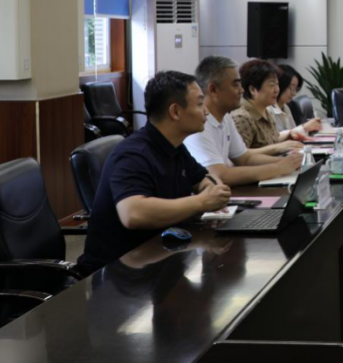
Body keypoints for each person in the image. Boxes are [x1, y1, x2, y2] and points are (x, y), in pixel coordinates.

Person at [77, 71, 232, 276]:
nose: (206, 111)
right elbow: (133, 213)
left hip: (159, 257)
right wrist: (201, 202)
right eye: (199, 104)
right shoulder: (133, 155)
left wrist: (212, 190)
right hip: (116, 274)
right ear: (175, 112)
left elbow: (202, 178)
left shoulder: (175, 146)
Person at [185, 56, 303, 186]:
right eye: (235, 85)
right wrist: (278, 168)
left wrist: (288, 161)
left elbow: (245, 158)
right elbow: (220, 175)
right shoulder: (198, 124)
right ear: (213, 90)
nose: (241, 90)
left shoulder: (225, 117)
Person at [231, 59, 301, 150]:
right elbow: (240, 155)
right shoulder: (242, 118)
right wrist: (277, 148)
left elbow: (272, 140)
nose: (277, 90)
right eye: (271, 85)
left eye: (277, 84)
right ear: (253, 89)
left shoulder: (266, 111)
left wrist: (290, 134)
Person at [270, 64, 322, 138]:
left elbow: (294, 135)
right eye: (291, 88)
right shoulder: (268, 109)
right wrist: (304, 127)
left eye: (295, 89)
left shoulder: (286, 107)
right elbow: (272, 139)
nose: (294, 93)